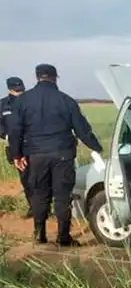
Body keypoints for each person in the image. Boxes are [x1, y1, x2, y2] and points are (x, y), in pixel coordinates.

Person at [7, 64, 104, 246]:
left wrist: (16, 155)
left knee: (39, 194)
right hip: (62, 155)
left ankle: (39, 235)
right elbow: (83, 130)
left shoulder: (22, 101)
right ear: (55, 77)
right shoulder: (66, 101)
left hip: (35, 156)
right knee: (62, 196)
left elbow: (15, 131)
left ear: (37, 77)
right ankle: (63, 237)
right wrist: (97, 148)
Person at [0, 77, 34, 218]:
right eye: (16, 88)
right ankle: (33, 207)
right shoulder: (3, 105)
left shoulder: (31, 101)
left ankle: (44, 206)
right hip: (16, 147)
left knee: (41, 177)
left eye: (21, 88)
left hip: (34, 144)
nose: (20, 91)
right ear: (10, 88)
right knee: (25, 178)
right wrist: (6, 135)